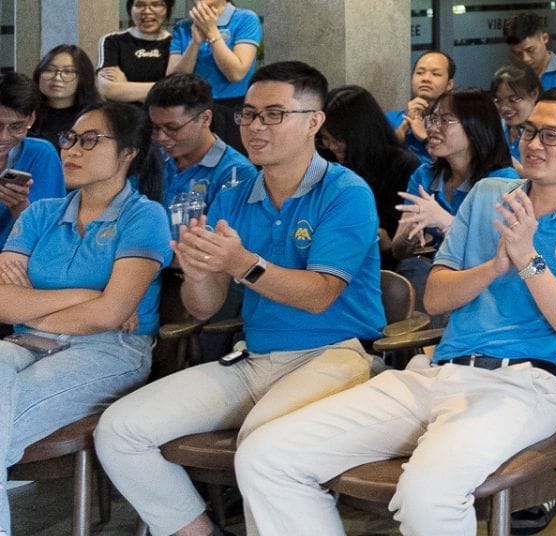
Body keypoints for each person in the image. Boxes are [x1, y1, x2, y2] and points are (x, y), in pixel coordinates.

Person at [233, 87, 556, 536]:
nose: (534, 143)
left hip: (523, 386)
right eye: (529, 130)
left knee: (428, 494)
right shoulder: (488, 195)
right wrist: (495, 265)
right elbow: (436, 299)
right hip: (437, 372)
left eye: (553, 136)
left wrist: (528, 261)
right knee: (265, 456)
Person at [97, 61, 386, 536]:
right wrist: (197, 271)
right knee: (121, 430)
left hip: (337, 355)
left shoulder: (345, 191)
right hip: (255, 358)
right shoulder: (234, 195)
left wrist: (241, 263)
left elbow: (320, 295)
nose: (255, 127)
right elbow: (205, 307)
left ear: (314, 121)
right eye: (249, 114)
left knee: (262, 446)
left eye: (274, 114)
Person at [0, 102, 171, 536]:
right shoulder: (40, 213)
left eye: (90, 140)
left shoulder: (145, 216)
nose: (72, 150)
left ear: (129, 152)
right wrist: (88, 295)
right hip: (25, 343)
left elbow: (111, 317)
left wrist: (39, 302)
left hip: (109, 349)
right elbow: (3, 305)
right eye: (70, 139)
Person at [392, 88, 516, 306]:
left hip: (486, 289)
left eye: (446, 120)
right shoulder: (424, 175)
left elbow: (494, 258)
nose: (432, 128)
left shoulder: (503, 182)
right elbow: (398, 250)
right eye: (432, 118)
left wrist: (444, 221)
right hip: (437, 276)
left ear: (476, 126)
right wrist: (411, 233)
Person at [318, 85, 424, 268]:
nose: (332, 146)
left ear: (361, 134)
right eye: (326, 139)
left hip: (378, 264)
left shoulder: (402, 165)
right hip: (327, 257)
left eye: (338, 139)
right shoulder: (324, 158)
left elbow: (390, 241)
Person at [165, 0, 261, 111]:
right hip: (191, 107)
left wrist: (211, 31)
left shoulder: (245, 19)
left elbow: (235, 74)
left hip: (233, 106)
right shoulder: (182, 27)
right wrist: (194, 43)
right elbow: (173, 81)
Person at [149, 74, 257, 203]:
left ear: (205, 119)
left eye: (172, 128)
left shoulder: (236, 173)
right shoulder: (153, 159)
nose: (161, 137)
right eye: (155, 127)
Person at [0, 72, 63, 235]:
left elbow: (48, 233)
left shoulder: (41, 154)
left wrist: (19, 206)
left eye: (16, 127)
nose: (3, 137)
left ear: (31, 119)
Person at [97, 0, 177, 102]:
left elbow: (176, 96)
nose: (147, 11)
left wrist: (125, 85)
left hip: (162, 119)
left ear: (168, 9)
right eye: (139, 5)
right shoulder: (112, 41)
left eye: (156, 5)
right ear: (130, 8)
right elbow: (109, 90)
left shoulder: (175, 43)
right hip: (122, 118)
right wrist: (165, 90)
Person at [388, 50, 455, 162]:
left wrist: (425, 138)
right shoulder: (389, 120)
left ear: (449, 84)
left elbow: (457, 167)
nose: (426, 79)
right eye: (419, 73)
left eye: (435, 74)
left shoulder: (455, 125)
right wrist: (404, 126)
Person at [30, 44, 98, 146]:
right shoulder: (26, 112)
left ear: (83, 77)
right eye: (49, 70)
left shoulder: (95, 117)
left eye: (68, 71)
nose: (57, 77)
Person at [503, 12, 556, 91]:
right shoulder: (511, 77)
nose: (525, 59)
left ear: (544, 38)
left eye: (530, 50)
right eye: (518, 54)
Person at [490, 63, 542, 161]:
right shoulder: (495, 130)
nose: (504, 108)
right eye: (498, 100)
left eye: (514, 99)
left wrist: (516, 169)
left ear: (534, 94)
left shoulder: (549, 134)